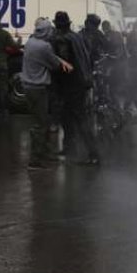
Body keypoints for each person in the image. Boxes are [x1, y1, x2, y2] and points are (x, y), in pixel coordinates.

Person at [22, 18, 72, 169]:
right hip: (38, 88)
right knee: (41, 124)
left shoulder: (31, 42)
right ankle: (35, 161)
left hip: (28, 86)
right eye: (49, 30)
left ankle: (44, 154)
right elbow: (55, 65)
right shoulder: (44, 47)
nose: (52, 32)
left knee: (40, 120)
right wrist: (65, 64)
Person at [50, 11, 100, 164]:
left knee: (76, 117)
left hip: (71, 84)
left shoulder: (62, 40)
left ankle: (93, 154)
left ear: (58, 25)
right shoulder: (77, 36)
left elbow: (64, 64)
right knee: (70, 117)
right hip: (82, 80)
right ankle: (71, 148)